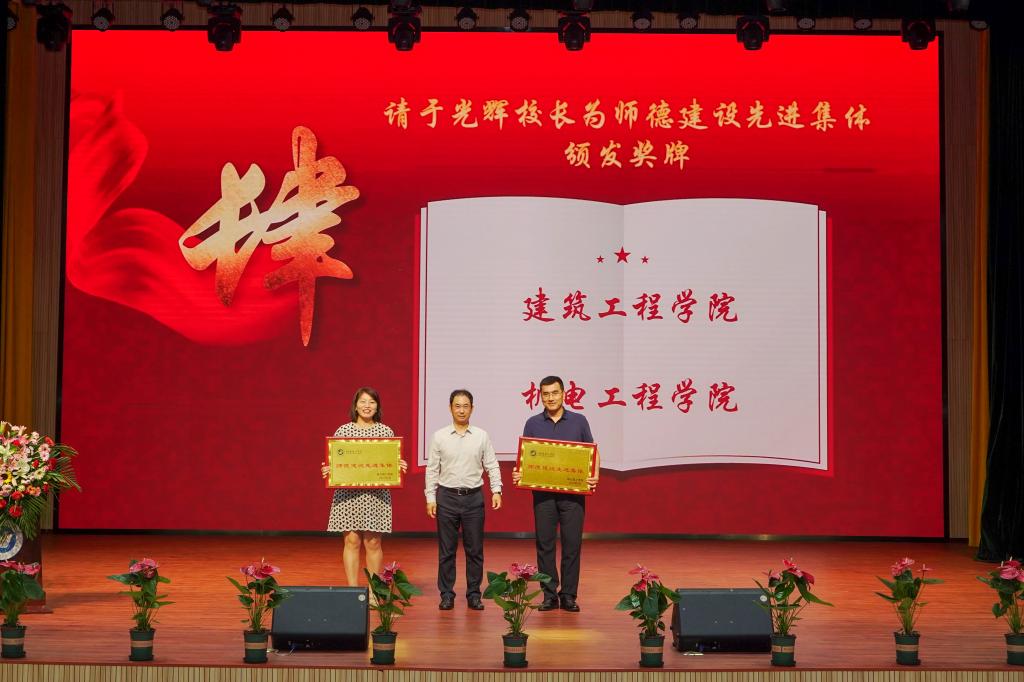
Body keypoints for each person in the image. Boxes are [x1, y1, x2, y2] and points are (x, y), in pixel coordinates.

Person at [513, 375, 599, 612]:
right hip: (543, 496)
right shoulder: (532, 423)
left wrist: (594, 475)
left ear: (563, 394)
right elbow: (526, 458)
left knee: (572, 545)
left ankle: (569, 595)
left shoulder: (579, 421)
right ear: (541, 396)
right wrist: (520, 473)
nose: (550, 398)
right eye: (546, 394)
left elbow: (592, 451)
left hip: (573, 497)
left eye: (555, 393)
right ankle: (549, 595)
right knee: (545, 545)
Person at [321, 387, 408, 587]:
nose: (367, 406)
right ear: (355, 406)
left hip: (376, 495)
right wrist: (329, 470)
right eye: (363, 401)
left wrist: (398, 466)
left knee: (373, 543)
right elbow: (336, 463)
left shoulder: (385, 432)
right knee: (351, 541)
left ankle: (373, 591)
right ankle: (353, 593)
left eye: (372, 402)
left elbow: (390, 461)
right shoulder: (343, 431)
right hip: (347, 495)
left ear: (377, 407)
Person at [425, 389, 503, 611]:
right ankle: (446, 594)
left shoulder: (481, 436)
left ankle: (474, 594)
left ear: (472, 409)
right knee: (446, 551)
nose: (461, 410)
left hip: (473, 499)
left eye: (465, 406)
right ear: (450, 408)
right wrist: (430, 497)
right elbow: (432, 469)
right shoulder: (439, 436)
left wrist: (496, 490)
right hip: (446, 498)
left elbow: (492, 464)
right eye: (457, 406)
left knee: (475, 550)